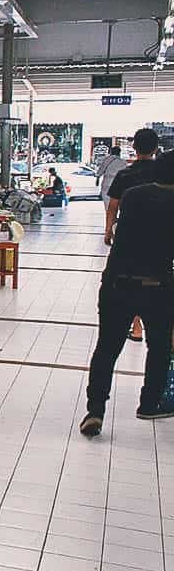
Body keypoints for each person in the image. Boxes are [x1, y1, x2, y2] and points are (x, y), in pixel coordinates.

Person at [80, 151, 174, 436]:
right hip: (157, 287)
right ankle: (149, 404)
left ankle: (95, 411)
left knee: (106, 349)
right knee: (158, 348)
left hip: (116, 283)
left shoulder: (133, 195)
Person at [106, 128, 160, 342]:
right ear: (156, 148)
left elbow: (112, 206)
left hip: (128, 235)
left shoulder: (125, 174)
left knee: (130, 277)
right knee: (157, 277)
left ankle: (136, 327)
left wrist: (108, 230)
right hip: (159, 235)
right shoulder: (162, 173)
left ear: (134, 148)